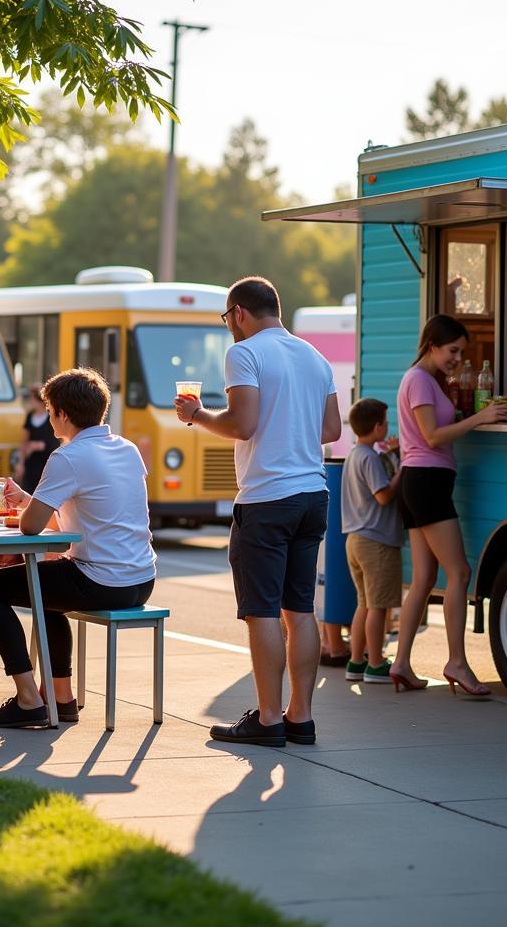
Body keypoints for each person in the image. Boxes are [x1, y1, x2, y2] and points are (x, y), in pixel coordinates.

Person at [175, 276, 341, 748]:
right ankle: (300, 718)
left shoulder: (243, 353)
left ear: (240, 313)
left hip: (267, 498)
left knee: (262, 612)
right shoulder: (315, 356)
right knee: (300, 610)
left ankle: (268, 719)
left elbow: (242, 424)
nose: (230, 327)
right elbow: (330, 429)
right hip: (313, 492)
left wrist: (196, 415)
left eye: (228, 319)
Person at [0, 367, 156, 729]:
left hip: (101, 580)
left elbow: (30, 526)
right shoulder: (126, 448)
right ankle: (61, 699)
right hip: (141, 579)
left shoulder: (68, 457)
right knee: (47, 590)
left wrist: (28, 507)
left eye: (50, 410)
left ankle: (28, 700)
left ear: (62, 414)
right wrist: (30, 498)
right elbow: (78, 517)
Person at [389, 315, 507, 698]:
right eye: (453, 351)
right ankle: (456, 661)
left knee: (425, 578)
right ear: (431, 346)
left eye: (462, 351)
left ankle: (402, 663)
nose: (458, 358)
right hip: (426, 482)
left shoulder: (428, 380)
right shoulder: (421, 380)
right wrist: (480, 417)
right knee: (458, 572)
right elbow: (432, 435)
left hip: (418, 480)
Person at [340, 398, 403, 685]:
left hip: (355, 538)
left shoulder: (355, 455)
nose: (388, 428)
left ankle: (356, 661)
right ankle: (376, 663)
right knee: (379, 606)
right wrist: (402, 468)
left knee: (364, 604)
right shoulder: (369, 458)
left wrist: (390, 455)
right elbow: (383, 495)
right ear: (377, 427)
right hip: (376, 539)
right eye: (386, 423)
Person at [15, 384, 60, 493]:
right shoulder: (30, 416)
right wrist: (20, 463)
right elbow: (24, 441)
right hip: (31, 463)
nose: (30, 401)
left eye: (32, 398)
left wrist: (38, 445)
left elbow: (55, 441)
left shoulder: (51, 416)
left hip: (46, 463)